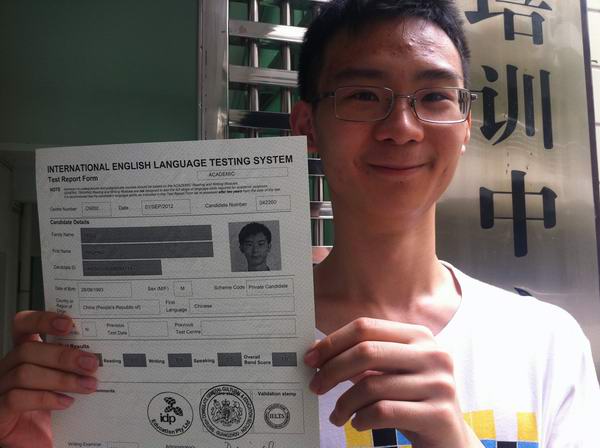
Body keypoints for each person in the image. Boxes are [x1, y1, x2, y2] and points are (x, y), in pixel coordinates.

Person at [0, 1, 598, 448]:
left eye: (435, 97)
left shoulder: (545, 343)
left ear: (465, 125)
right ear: (307, 125)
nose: (402, 128)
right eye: (363, 96)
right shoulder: (200, 343)